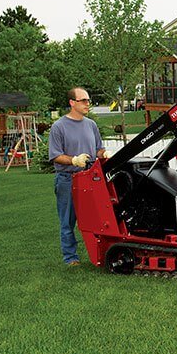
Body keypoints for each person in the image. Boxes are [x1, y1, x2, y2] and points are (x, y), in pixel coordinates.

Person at [49, 87, 112, 266]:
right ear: (72, 103)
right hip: (67, 179)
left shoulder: (91, 125)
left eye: (88, 101)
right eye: (83, 100)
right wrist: (74, 160)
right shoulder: (59, 126)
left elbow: (97, 149)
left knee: (98, 217)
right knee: (67, 220)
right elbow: (55, 155)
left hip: (90, 179)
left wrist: (103, 154)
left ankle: (102, 253)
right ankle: (71, 258)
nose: (87, 104)